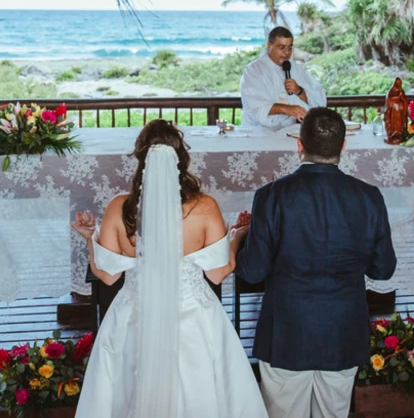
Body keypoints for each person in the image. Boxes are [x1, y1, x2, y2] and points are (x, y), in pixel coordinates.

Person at [71, 119, 267, 418]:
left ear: (141, 160)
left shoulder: (119, 208)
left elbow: (107, 274)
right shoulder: (205, 207)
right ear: (181, 160)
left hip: (134, 315)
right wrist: (236, 237)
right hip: (193, 316)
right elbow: (219, 271)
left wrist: (89, 239)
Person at [236, 107, 397, 418]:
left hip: (286, 331)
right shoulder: (369, 196)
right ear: (343, 147)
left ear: (299, 144)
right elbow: (383, 269)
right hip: (342, 331)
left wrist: (239, 241)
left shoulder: (271, 196)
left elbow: (253, 270)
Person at [240, 26, 326, 129]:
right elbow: (256, 107)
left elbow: (318, 99)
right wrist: (287, 109)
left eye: (290, 48)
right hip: (261, 133)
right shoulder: (254, 70)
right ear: (269, 46)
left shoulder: (296, 68)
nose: (287, 53)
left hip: (293, 131)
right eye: (282, 48)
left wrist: (299, 91)